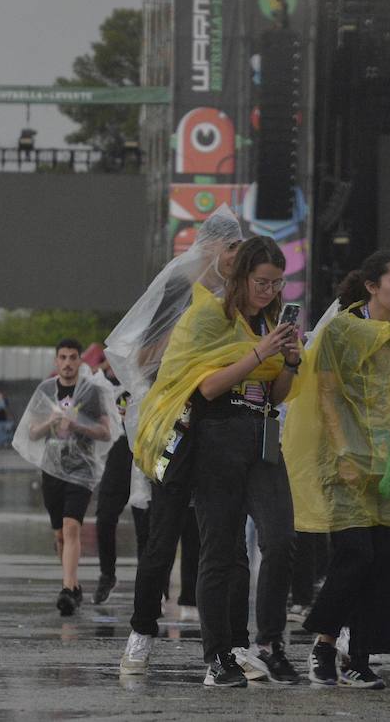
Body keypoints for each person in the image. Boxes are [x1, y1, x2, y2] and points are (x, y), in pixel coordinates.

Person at [134, 236, 302, 687]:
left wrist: (290, 362)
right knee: (222, 549)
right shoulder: (209, 314)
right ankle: (218, 657)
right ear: (241, 277)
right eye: (261, 282)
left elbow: (277, 393)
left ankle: (269, 643)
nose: (268, 292)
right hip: (215, 437)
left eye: (277, 283)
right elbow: (204, 388)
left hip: (261, 435)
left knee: (281, 538)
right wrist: (259, 353)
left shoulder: (269, 320)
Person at [284, 250, 390, 689]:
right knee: (355, 554)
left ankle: (358, 657)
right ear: (371, 285)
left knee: (385, 563)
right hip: (344, 461)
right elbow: (326, 395)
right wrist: (345, 452)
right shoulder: (339, 331)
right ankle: (325, 642)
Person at [114, 209, 243, 677]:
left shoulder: (242, 295)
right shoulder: (179, 289)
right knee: (162, 535)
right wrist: (189, 348)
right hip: (180, 426)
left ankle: (233, 644)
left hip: (227, 426)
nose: (235, 257)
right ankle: (141, 633)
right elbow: (143, 356)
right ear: (209, 247)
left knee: (228, 543)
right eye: (231, 248)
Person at [15, 338, 118, 616]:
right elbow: (31, 432)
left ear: (80, 361)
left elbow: (106, 432)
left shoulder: (91, 392)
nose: (68, 363)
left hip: (80, 470)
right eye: (63, 357)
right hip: (52, 468)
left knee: (72, 527)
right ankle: (73, 586)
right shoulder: (46, 391)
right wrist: (51, 421)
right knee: (60, 534)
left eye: (73, 357)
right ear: (56, 361)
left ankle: (67, 588)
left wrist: (77, 425)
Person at [92, 362, 143, 604]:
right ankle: (107, 574)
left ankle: (153, 585)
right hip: (119, 451)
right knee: (104, 517)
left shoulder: (147, 372)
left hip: (144, 449)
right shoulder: (103, 383)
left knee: (147, 524)